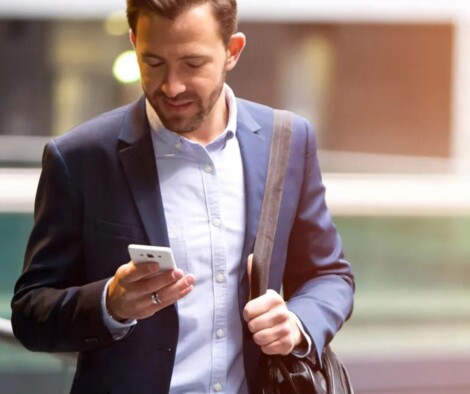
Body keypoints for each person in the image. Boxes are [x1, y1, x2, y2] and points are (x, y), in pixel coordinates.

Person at [10, 0, 355, 393]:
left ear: (233, 52)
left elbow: (330, 275)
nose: (171, 86)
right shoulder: (80, 159)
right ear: (134, 42)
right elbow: (30, 313)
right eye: (153, 62)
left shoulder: (288, 141)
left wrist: (297, 322)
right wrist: (110, 304)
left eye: (192, 64)